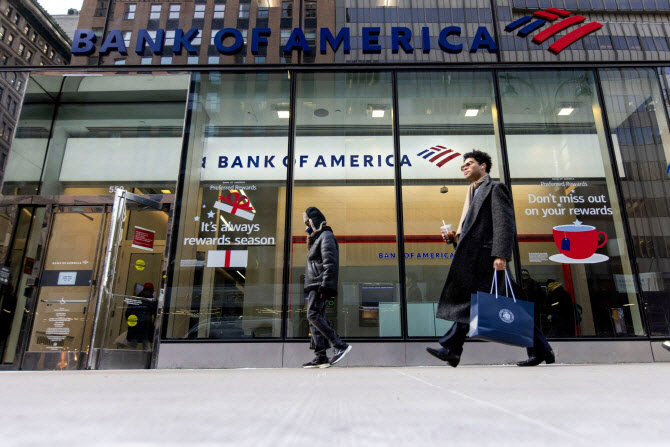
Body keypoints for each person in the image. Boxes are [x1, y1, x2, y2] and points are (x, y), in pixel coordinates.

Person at [426, 150, 555, 367]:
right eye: (463, 165)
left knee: (473, 303)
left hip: (489, 259)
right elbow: (474, 231)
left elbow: (504, 223)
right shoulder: (473, 193)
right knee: (503, 305)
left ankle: (452, 349)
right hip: (477, 259)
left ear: (483, 166)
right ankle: (543, 350)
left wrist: (501, 255)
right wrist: (455, 237)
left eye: (469, 163)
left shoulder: (495, 188)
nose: (464, 167)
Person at [302, 207, 352, 368]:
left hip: (319, 284)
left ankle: (340, 345)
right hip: (314, 284)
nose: (306, 228)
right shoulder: (318, 239)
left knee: (312, 315)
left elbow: (330, 263)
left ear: (314, 221)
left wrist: (326, 286)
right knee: (315, 319)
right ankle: (321, 356)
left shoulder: (326, 236)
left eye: (308, 223)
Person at [125, 282, 157, 350]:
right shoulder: (152, 301)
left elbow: (128, 312)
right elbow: (156, 314)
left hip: (135, 324)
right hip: (146, 324)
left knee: (133, 344)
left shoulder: (135, 299)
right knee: (146, 345)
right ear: (152, 290)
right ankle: (147, 357)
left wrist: (130, 323)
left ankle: (130, 356)